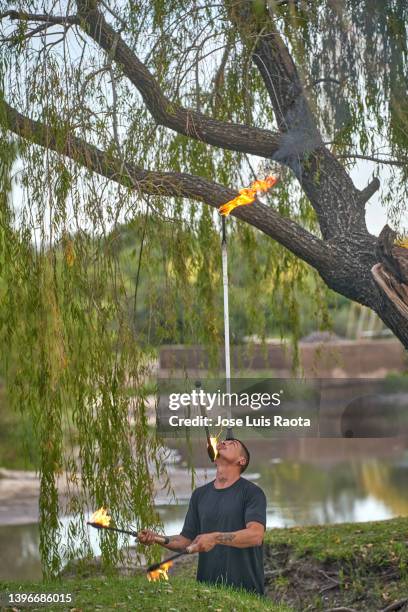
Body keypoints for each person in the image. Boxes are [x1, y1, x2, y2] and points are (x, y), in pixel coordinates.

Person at [139, 438, 267, 595]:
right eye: (223, 442)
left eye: (231, 444)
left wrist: (215, 538)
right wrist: (156, 538)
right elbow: (184, 541)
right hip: (207, 592)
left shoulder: (252, 493)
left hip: (246, 591)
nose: (223, 443)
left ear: (242, 460)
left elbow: (255, 535)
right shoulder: (200, 495)